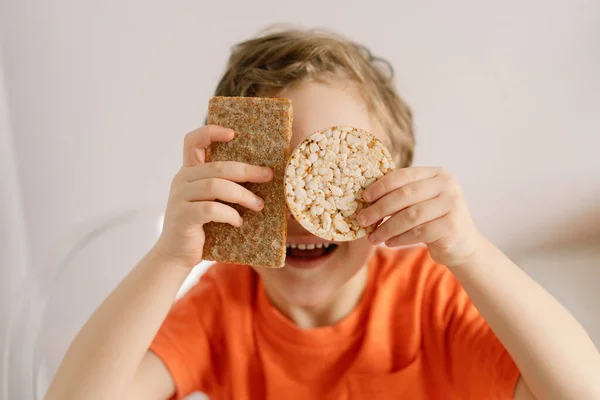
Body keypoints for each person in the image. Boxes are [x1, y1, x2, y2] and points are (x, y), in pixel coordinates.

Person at [45, 28, 600, 400]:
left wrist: (473, 255)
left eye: (334, 182)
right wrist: (170, 256)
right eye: (271, 174)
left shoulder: (432, 299)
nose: (304, 217)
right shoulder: (218, 311)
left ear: (395, 180)